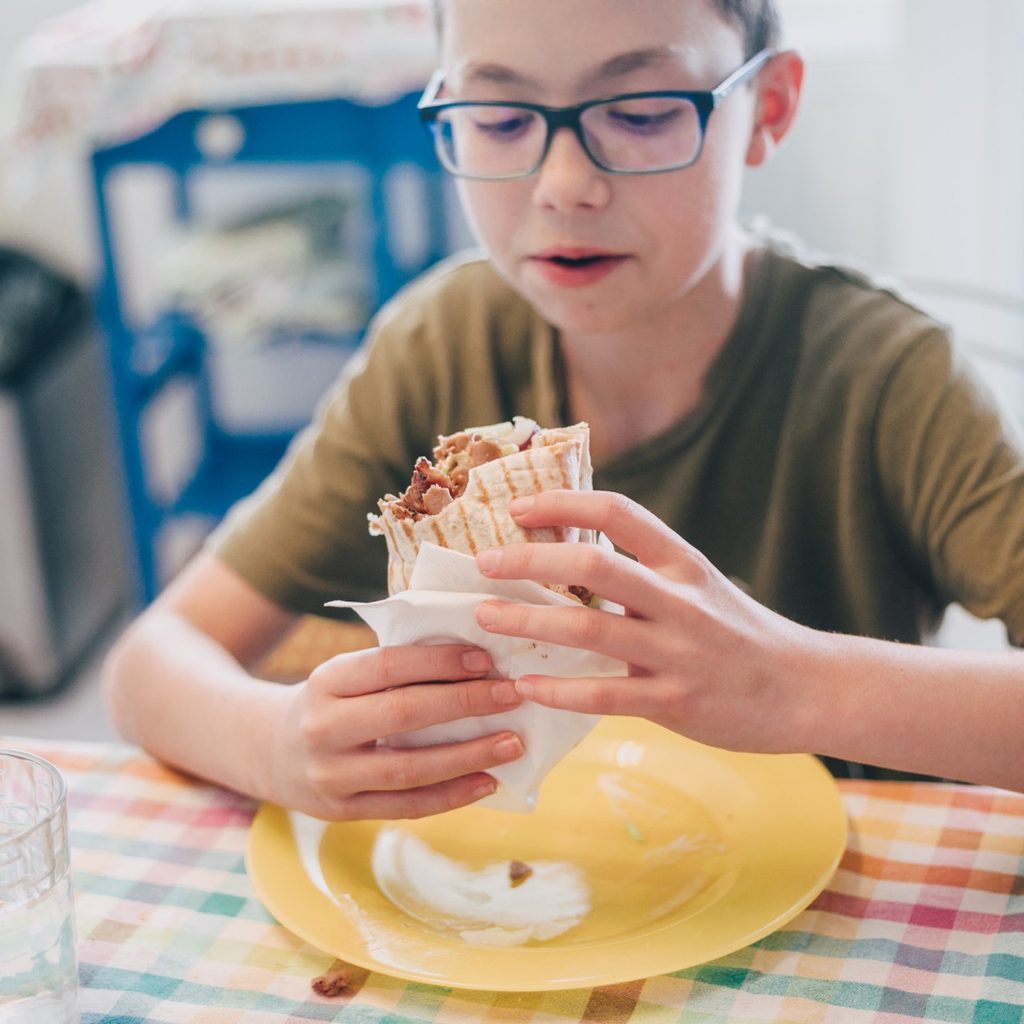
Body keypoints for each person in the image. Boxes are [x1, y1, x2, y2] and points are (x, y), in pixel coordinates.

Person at [104, 0, 1024, 817]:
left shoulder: (891, 379)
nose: (563, 183)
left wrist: (791, 687)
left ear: (767, 109)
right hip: (526, 892)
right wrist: (273, 741)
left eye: (642, 112)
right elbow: (151, 664)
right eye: (499, 119)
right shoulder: (439, 344)